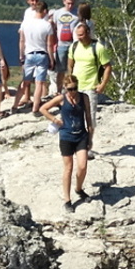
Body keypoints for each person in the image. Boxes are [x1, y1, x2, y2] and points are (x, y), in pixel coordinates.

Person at [43, 73, 92, 208]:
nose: (73, 91)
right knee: (68, 168)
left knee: (82, 166)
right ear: (65, 87)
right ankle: (67, 199)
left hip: (81, 135)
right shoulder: (61, 99)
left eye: (75, 88)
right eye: (70, 89)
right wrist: (54, 120)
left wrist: (90, 137)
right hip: (66, 136)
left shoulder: (84, 98)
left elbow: (88, 116)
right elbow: (43, 108)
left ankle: (79, 188)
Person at [17, 0, 57, 113]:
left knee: (26, 80)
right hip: (42, 54)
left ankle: (15, 105)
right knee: (39, 82)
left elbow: (22, 40)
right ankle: (35, 107)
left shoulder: (27, 23)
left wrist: (21, 56)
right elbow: (49, 45)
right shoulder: (47, 25)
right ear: (44, 11)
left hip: (28, 54)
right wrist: (52, 59)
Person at [66, 20, 114, 106]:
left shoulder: (98, 48)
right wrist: (69, 82)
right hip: (76, 88)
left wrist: (102, 85)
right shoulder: (74, 46)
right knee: (77, 116)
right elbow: (70, 65)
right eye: (78, 35)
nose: (79, 37)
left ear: (88, 33)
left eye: (81, 35)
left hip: (90, 88)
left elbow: (108, 67)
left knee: (90, 117)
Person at [49, 0, 81, 71]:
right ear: (64, 2)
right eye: (68, 3)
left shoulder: (78, 13)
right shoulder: (57, 13)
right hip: (61, 45)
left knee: (74, 68)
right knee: (60, 69)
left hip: (74, 45)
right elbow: (54, 27)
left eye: (72, 3)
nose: (70, 6)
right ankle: (60, 83)